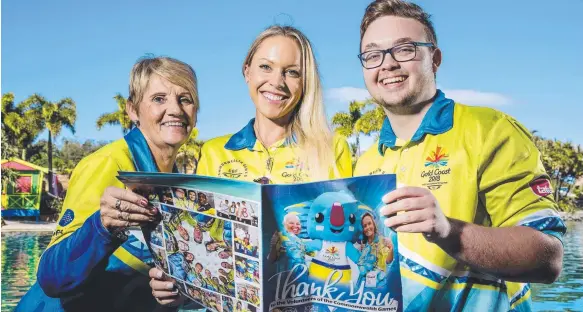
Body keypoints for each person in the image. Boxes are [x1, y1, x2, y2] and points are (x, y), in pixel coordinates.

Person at [353, 1, 566, 310]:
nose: (387, 64)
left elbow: (549, 259)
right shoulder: (367, 161)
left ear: (434, 59)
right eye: (373, 55)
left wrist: (448, 231)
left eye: (405, 50)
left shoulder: (491, 129)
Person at [16, 56, 200, 311]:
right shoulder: (108, 164)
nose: (176, 110)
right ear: (133, 110)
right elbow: (52, 277)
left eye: (185, 99)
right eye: (159, 99)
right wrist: (102, 226)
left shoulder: (178, 184)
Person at [195, 25, 353, 183]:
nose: (277, 82)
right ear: (247, 72)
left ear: (305, 82)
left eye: (292, 72)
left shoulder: (333, 149)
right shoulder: (213, 153)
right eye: (265, 67)